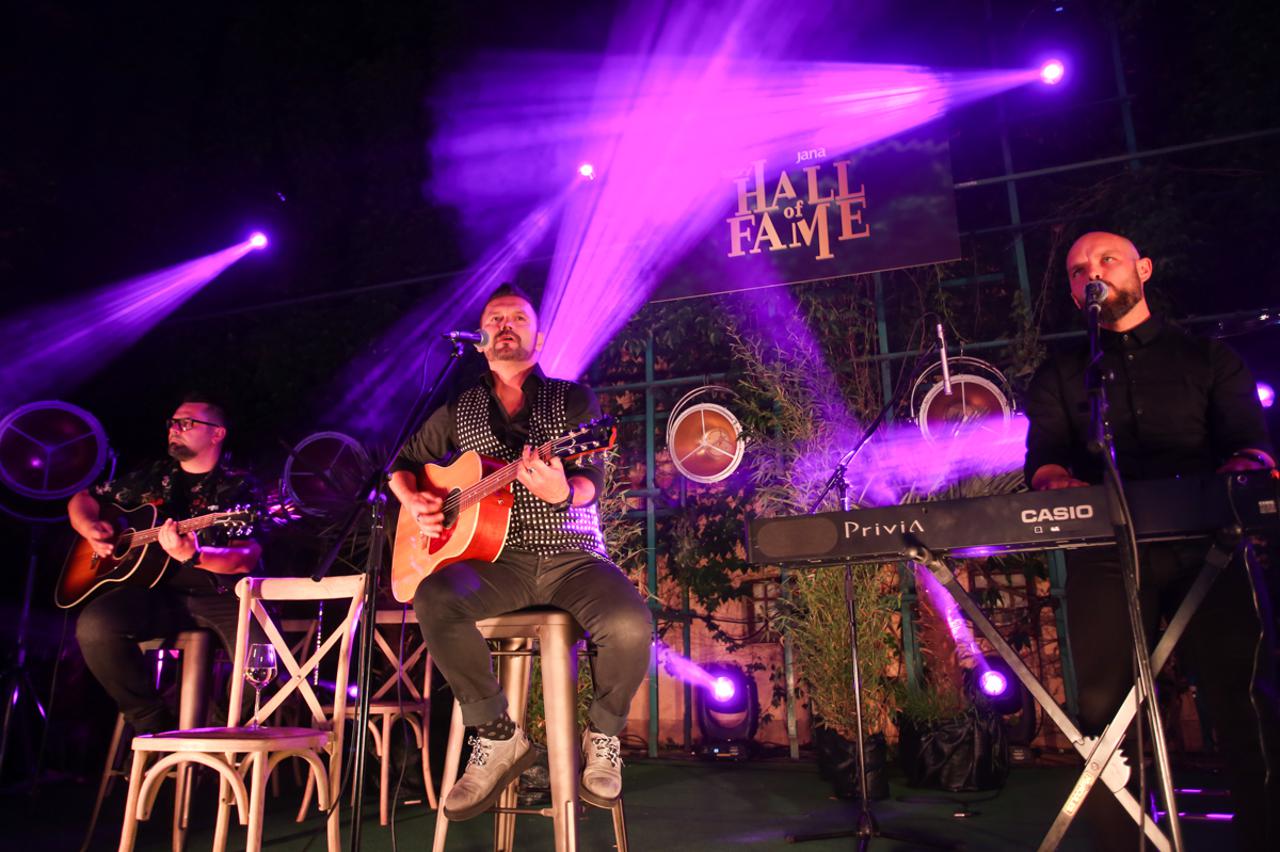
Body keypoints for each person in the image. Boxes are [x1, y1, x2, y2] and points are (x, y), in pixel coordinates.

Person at [1023, 231, 1280, 850]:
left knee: (1243, 694)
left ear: (1142, 269)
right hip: (1107, 553)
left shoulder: (1207, 358)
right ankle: (1128, 840)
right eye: (1078, 270)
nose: (1093, 273)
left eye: (1107, 260)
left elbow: (1251, 445)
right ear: (1073, 292)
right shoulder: (1061, 374)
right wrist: (1053, 478)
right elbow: (1044, 459)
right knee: (1107, 711)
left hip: (1210, 544)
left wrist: (1242, 468)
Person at [389, 283, 652, 820]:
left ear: (539, 337)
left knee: (629, 625)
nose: (505, 325)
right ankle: (496, 734)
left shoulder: (572, 400)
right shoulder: (458, 407)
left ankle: (602, 735)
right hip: (493, 562)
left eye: (518, 318)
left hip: (571, 555)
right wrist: (414, 498)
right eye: (495, 318)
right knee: (434, 598)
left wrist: (563, 491)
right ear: (480, 337)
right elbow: (400, 463)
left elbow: (591, 480)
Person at [69, 395, 263, 734]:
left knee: (261, 663)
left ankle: (217, 740)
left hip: (223, 596)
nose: (175, 429)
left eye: (186, 423)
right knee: (95, 625)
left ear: (217, 434)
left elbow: (245, 558)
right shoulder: (153, 477)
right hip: (156, 593)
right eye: (172, 423)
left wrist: (195, 555)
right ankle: (150, 722)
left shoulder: (239, 486)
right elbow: (83, 498)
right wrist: (89, 528)